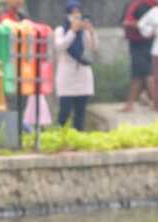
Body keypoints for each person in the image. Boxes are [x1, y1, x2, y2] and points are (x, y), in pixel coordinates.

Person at [54, 0, 97, 130]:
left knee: (80, 112)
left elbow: (93, 48)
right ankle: (61, 136)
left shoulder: (83, 32)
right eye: (73, 13)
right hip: (67, 76)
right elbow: (60, 47)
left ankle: (78, 137)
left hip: (83, 75)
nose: (76, 16)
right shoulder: (60, 30)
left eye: (78, 13)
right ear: (67, 14)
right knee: (64, 111)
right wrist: (72, 31)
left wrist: (91, 32)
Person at [121, 0, 158, 112]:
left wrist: (129, 23)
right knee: (137, 76)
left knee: (147, 74)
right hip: (144, 43)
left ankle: (157, 103)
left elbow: (146, 24)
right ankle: (130, 104)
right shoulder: (150, 5)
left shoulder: (141, 5)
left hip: (141, 44)